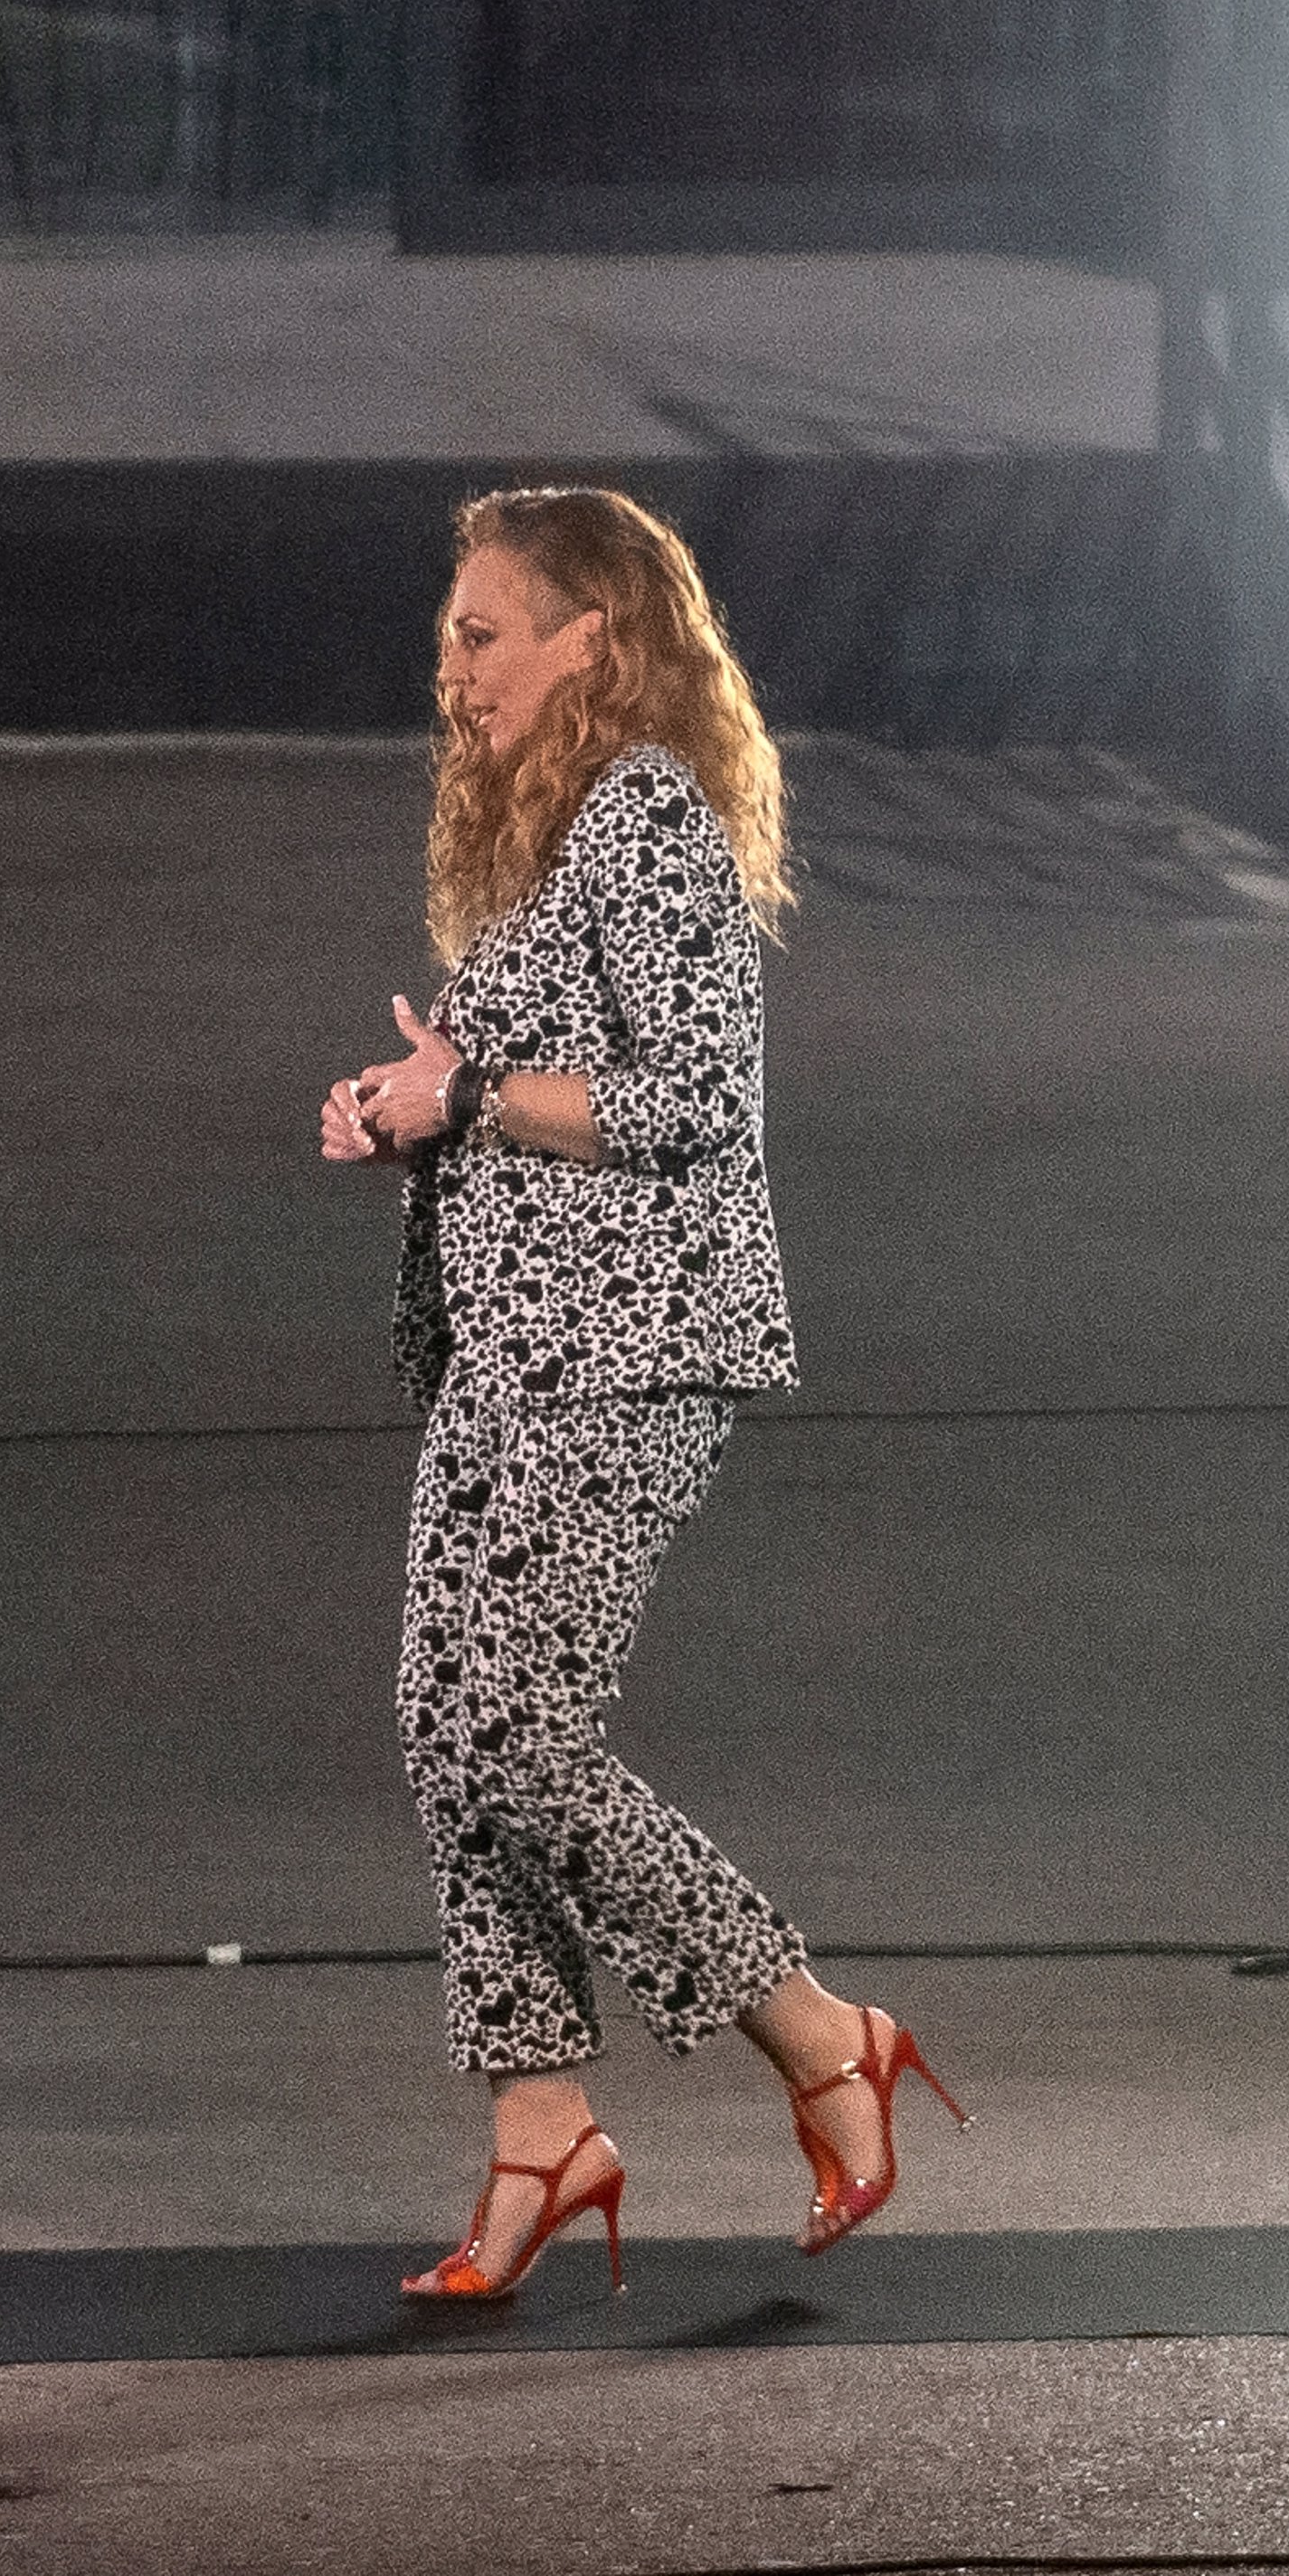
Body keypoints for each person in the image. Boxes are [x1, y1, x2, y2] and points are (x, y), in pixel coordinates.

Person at [319, 487, 967, 2301]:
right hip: (509, 1340)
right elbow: (527, 1091)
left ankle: (823, 2034)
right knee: (451, 1729)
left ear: (593, 635)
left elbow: (694, 1098)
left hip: (627, 1351)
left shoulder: (650, 814)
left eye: (484, 631)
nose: (450, 667)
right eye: (450, 632)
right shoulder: (542, 838)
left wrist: (463, 1097)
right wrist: (416, 1108)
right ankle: (543, 2128)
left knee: (521, 1735)